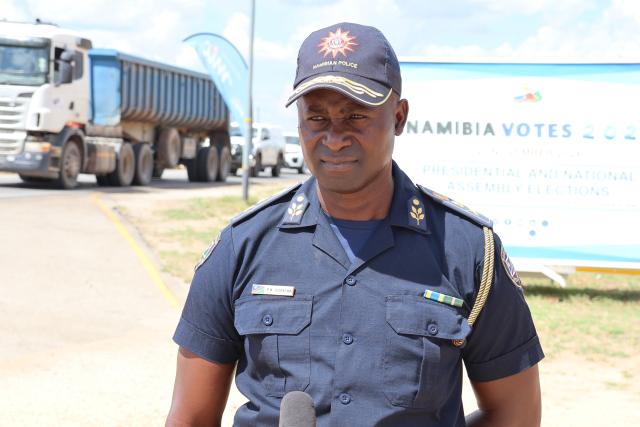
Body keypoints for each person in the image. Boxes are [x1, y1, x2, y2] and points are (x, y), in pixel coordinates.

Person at [167, 22, 543, 427]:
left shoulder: (468, 250)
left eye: (354, 116)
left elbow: (515, 414)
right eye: (316, 117)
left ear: (398, 117)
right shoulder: (242, 246)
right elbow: (190, 417)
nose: (333, 137)